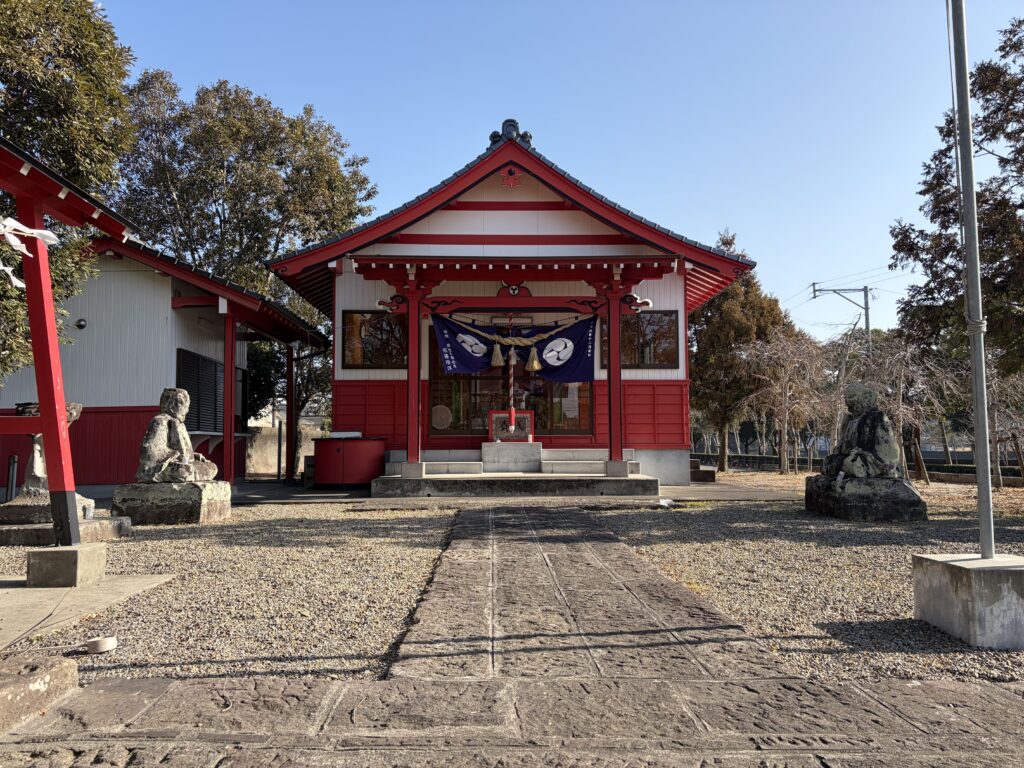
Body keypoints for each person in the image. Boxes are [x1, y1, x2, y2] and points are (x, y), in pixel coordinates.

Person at [136, 388, 218, 483]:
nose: (186, 410)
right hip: (164, 466)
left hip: (183, 463)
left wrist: (193, 455)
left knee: (212, 467)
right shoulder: (160, 421)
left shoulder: (180, 425)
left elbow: (183, 452)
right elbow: (148, 451)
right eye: (183, 406)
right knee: (183, 471)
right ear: (172, 405)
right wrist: (174, 455)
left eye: (187, 406)